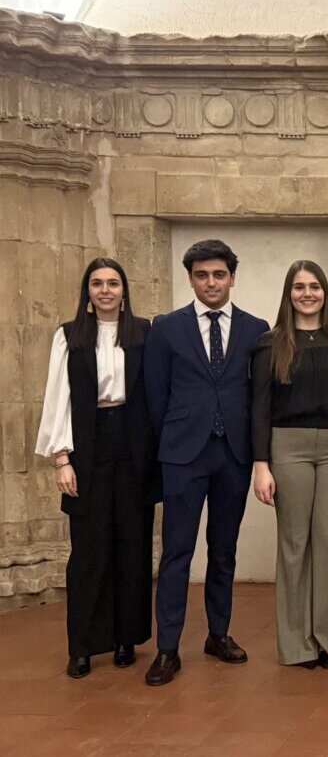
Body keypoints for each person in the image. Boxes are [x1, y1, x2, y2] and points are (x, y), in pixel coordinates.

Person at [142, 239, 269, 686]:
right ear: (190, 279)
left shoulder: (258, 329)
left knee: (224, 550)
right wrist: (177, 436)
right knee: (177, 552)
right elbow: (155, 395)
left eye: (218, 274)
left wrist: (257, 453)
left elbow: (260, 396)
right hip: (182, 454)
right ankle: (167, 648)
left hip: (233, 453)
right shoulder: (166, 328)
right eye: (201, 275)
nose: (210, 282)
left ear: (232, 277)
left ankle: (218, 633)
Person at [36, 258, 158, 679]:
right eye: (97, 284)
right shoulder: (69, 337)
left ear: (124, 291)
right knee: (88, 550)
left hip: (135, 444)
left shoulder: (144, 333)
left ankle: (127, 639)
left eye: (113, 283)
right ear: (87, 292)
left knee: (133, 543)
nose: (105, 290)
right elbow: (58, 399)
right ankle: (84, 646)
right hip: (88, 443)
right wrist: (62, 459)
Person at [251, 260, 328, 670]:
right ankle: (297, 643)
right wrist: (261, 464)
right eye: (299, 287)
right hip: (288, 447)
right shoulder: (270, 344)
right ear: (289, 294)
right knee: (295, 543)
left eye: (315, 286)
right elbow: (259, 407)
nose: (308, 293)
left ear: (325, 292)